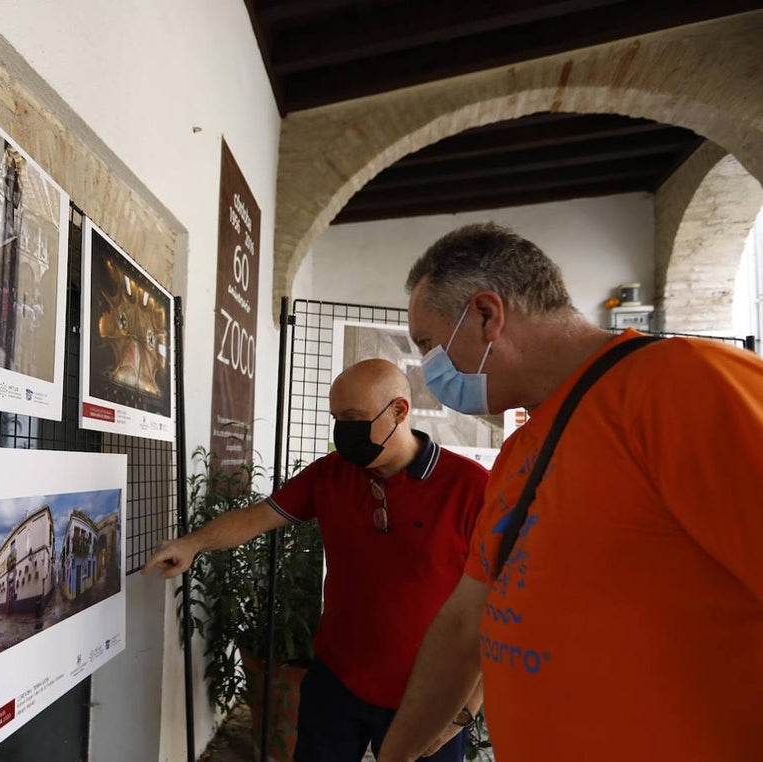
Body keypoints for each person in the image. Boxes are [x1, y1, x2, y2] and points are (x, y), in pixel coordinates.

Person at [377, 222, 763, 762]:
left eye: (427, 344)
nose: (427, 367)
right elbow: (465, 623)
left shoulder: (681, 385)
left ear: (487, 315)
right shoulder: (524, 448)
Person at [143, 359, 489, 762]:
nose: (344, 430)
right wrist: (193, 543)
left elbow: (501, 603)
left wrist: (465, 709)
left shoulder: (470, 488)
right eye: (337, 418)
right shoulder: (331, 474)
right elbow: (257, 516)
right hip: (336, 682)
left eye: (354, 417)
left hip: (429, 696)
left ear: (399, 410)